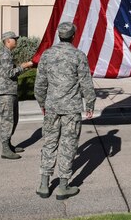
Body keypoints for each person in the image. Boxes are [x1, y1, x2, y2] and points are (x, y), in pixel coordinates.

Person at [35, 22, 96, 200]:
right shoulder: (78, 55)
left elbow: (40, 83)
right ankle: (63, 186)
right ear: (73, 36)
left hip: (52, 107)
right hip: (71, 108)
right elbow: (86, 82)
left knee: (49, 143)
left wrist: (41, 103)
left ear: (58, 35)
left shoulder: (47, 55)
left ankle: (44, 184)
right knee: (68, 145)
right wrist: (90, 104)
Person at [0, 31, 35, 160]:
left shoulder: (7, 53)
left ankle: (9, 145)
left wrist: (22, 67)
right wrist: (23, 66)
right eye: (14, 39)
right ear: (8, 41)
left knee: (13, 119)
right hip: (6, 93)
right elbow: (9, 73)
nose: (16, 41)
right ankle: (5, 149)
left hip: (10, 92)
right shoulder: (4, 54)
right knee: (8, 121)